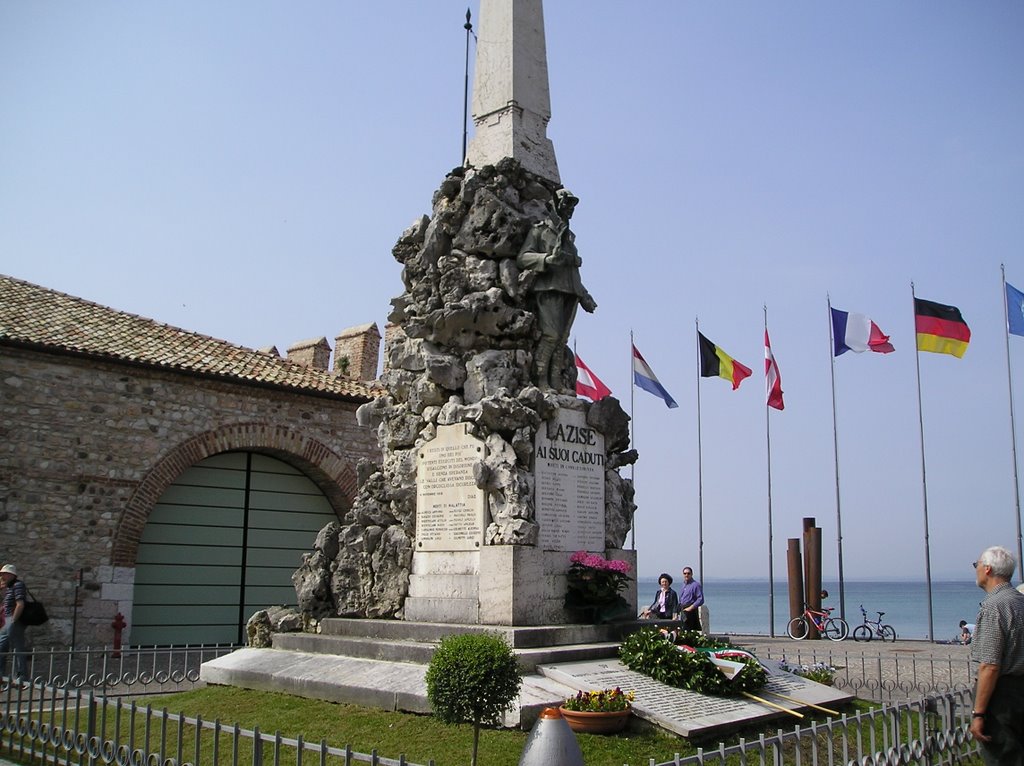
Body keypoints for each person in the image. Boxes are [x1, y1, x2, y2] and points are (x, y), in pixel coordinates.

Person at [516, 188, 597, 391]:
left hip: (571, 292)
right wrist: (546, 259)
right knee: (550, 335)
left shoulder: (568, 237)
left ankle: (556, 382)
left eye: (571, 206)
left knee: (561, 340)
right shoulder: (539, 231)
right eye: (566, 204)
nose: (569, 209)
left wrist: (585, 296)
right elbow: (523, 257)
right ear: (554, 205)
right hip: (549, 288)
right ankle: (541, 380)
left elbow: (573, 271)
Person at [968, 546, 1024, 764]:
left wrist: (978, 714)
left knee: (1003, 757)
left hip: (1002, 698)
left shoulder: (994, 607)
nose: (976, 570)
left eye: (977, 565)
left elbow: (990, 665)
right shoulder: (1019, 601)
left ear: (988, 569)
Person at [0, 563, 28, 681]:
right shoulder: (10, 587)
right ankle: (2, 674)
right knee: (2, 646)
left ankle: (22, 676)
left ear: (11, 574)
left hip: (14, 620)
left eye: (4, 574)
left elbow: (20, 604)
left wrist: (13, 620)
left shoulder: (18, 585)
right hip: (8, 620)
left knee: (17, 647)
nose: (2, 576)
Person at [675, 566, 704, 632]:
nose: (686, 575)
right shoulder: (683, 585)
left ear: (691, 574)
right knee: (682, 630)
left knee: (689, 631)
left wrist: (690, 608)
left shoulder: (696, 585)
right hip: (683, 610)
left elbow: (700, 599)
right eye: (685, 573)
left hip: (690, 611)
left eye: (688, 573)